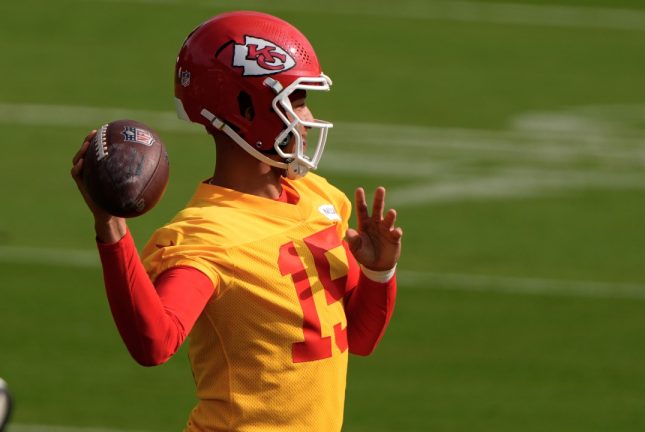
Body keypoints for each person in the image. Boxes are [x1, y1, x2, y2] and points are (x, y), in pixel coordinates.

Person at [70, 11, 401, 432]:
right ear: (245, 108)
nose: (309, 117)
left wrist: (379, 271)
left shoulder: (320, 196)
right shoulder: (210, 234)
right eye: (296, 101)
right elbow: (154, 343)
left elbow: (360, 339)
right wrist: (111, 225)